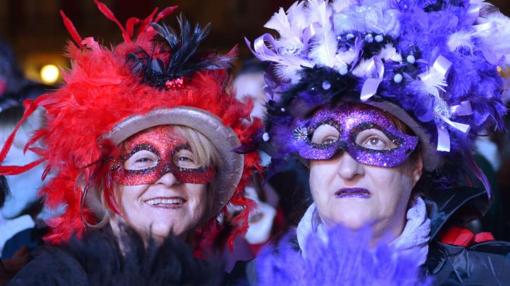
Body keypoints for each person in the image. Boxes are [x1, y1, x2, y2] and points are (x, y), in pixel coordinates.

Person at [249, 0, 510, 284]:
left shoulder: (489, 276)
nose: (349, 170)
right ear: (309, 163)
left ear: (416, 167)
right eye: (326, 142)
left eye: (374, 142)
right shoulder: (254, 279)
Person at [1, 2, 260, 285]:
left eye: (187, 159)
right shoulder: (52, 280)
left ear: (211, 186)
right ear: (107, 184)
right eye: (143, 160)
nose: (170, 178)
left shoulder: (248, 280)